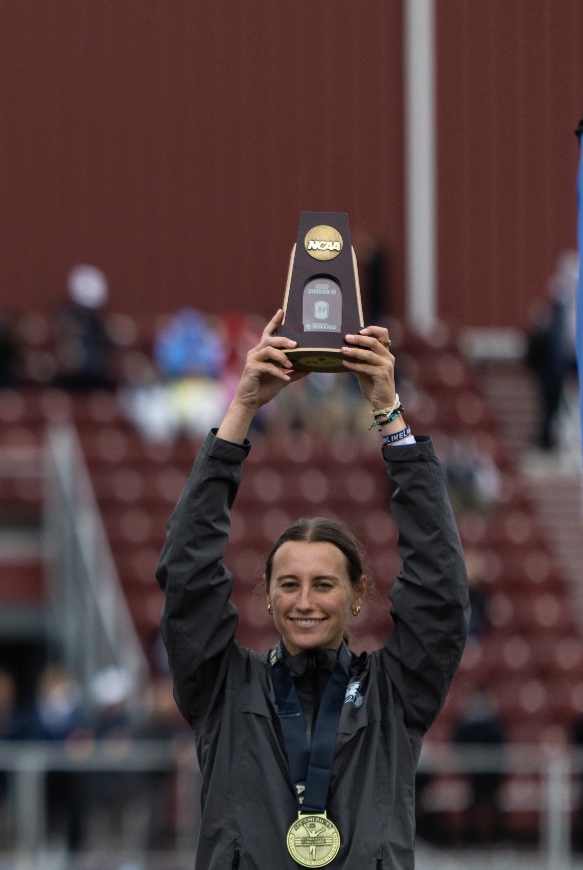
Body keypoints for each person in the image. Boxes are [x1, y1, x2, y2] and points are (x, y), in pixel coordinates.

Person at [156, 310, 467, 869]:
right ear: (267, 595)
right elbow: (186, 572)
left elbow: (440, 589)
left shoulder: (395, 694)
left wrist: (389, 416)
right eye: (289, 585)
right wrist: (243, 408)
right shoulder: (221, 688)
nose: (304, 601)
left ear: (356, 595)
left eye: (324, 584)